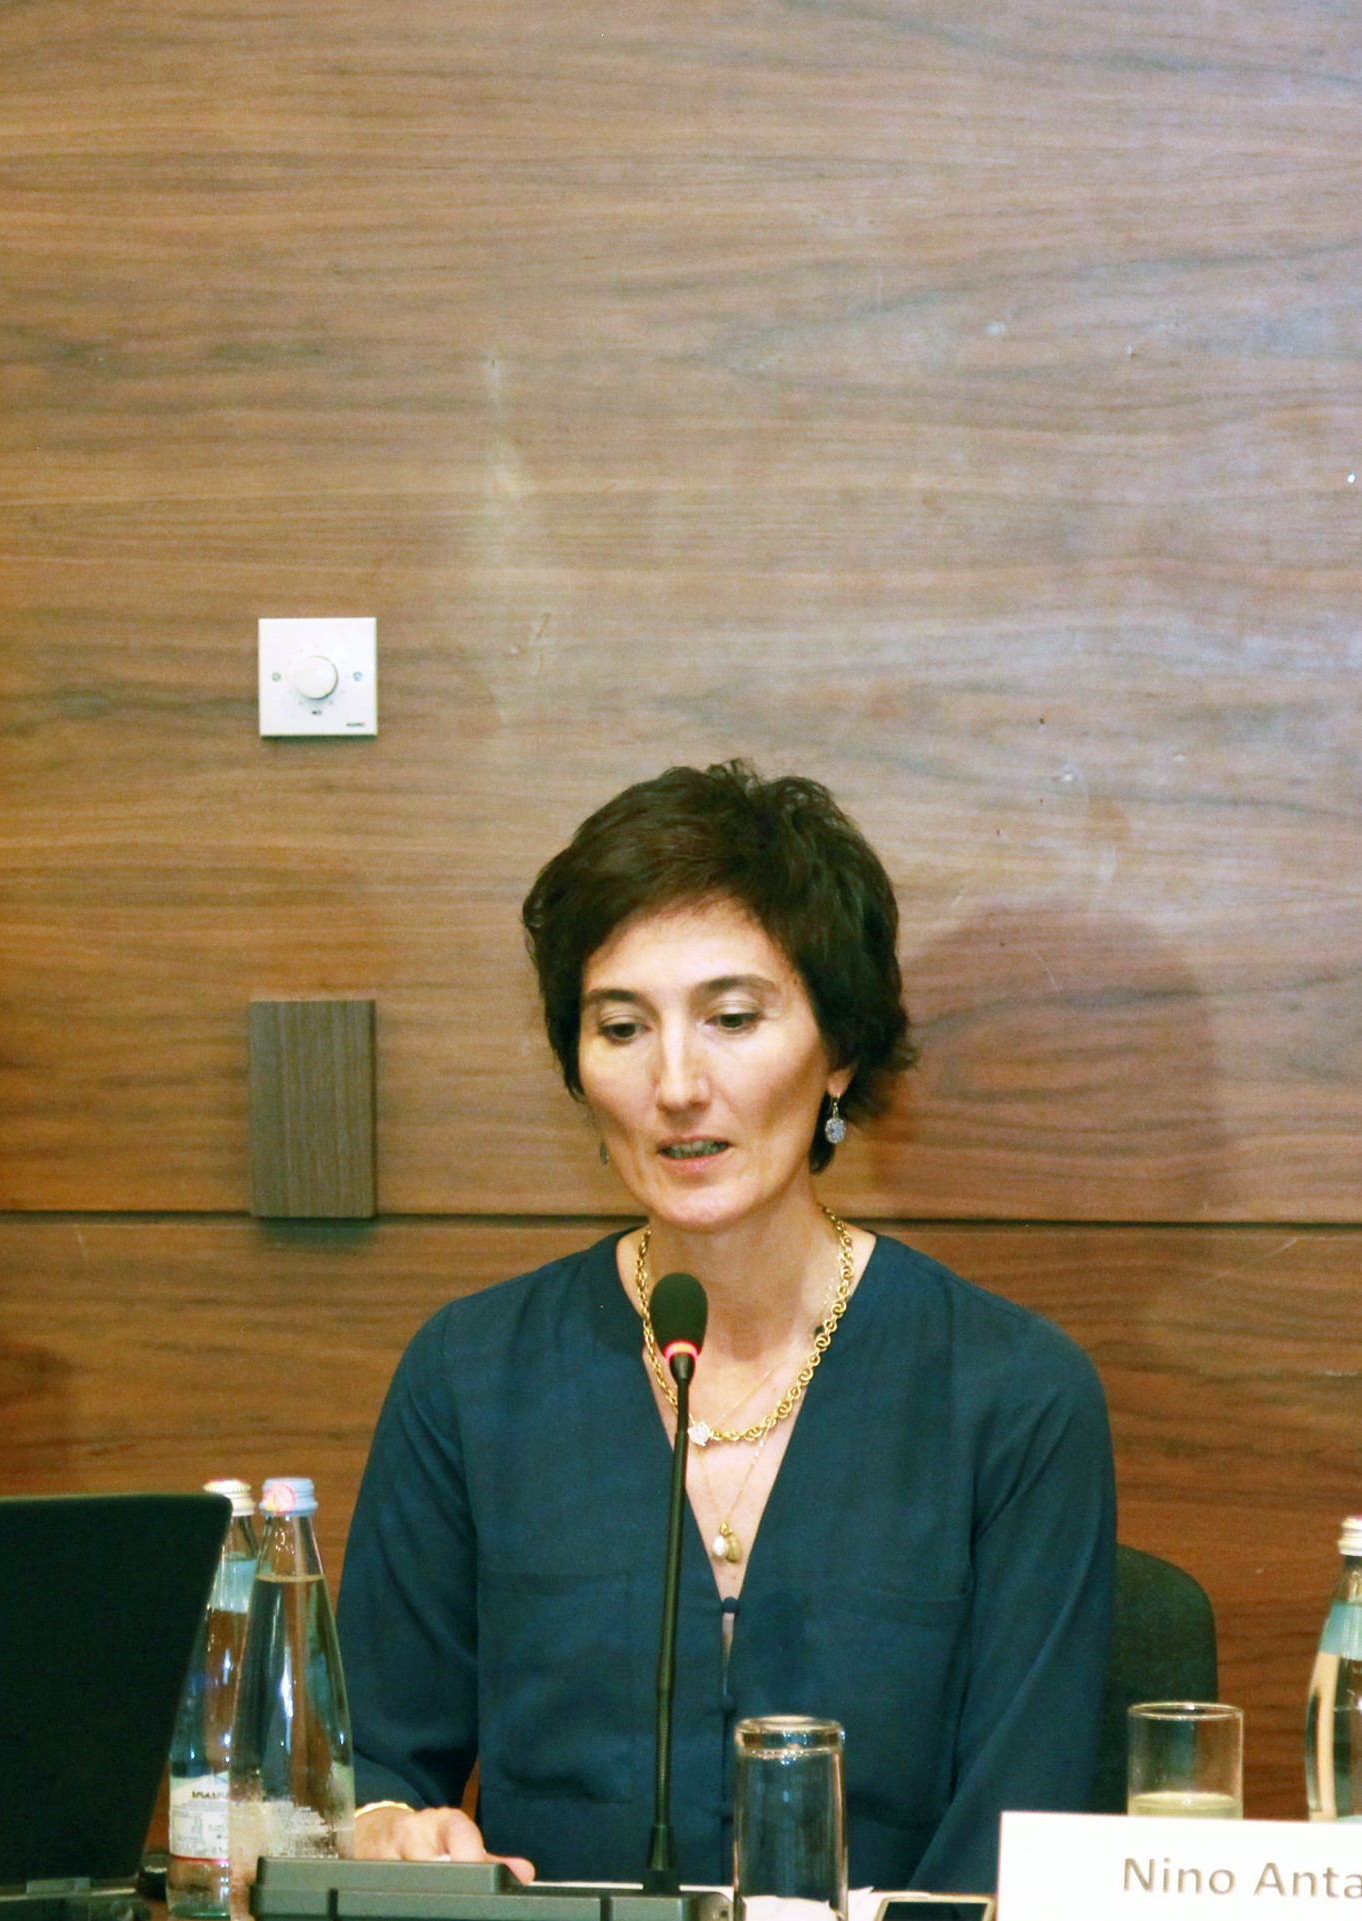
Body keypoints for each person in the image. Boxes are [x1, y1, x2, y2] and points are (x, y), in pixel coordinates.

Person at [337, 762, 1114, 1894]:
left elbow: (1017, 1838)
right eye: (620, 1027)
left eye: (732, 1018)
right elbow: (373, 1760)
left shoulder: (1011, 1394)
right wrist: (385, 1828)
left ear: (839, 1045)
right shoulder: (469, 1375)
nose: (675, 1084)